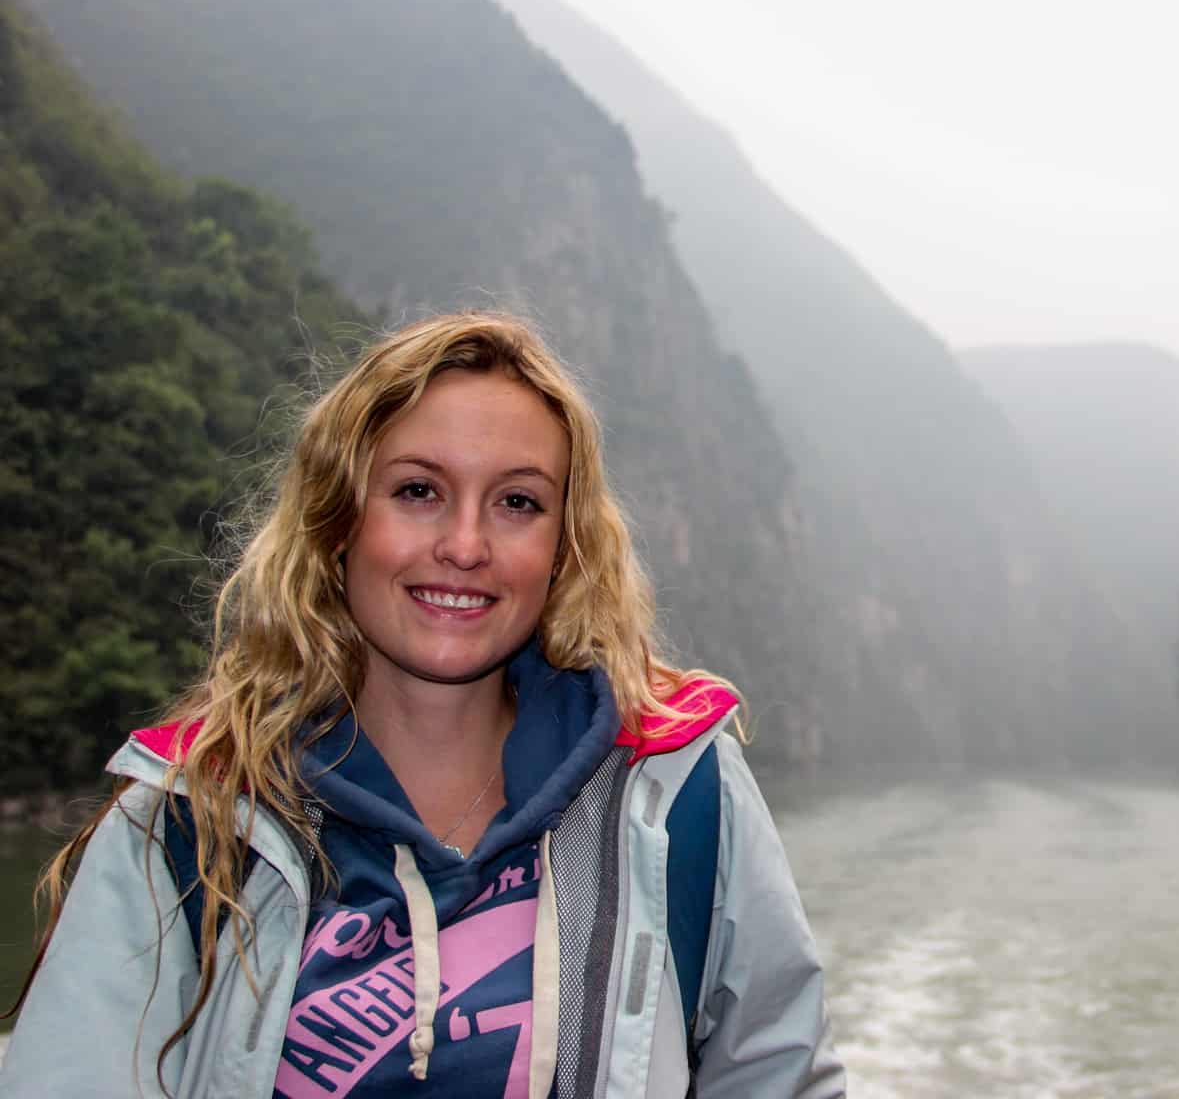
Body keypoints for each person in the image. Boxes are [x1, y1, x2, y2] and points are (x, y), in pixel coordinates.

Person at [0, 311, 845, 1098]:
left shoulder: (675, 791)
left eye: (518, 503)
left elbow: (777, 1073)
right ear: (337, 524)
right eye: (417, 491)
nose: (466, 546)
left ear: (562, 548)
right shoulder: (191, 819)